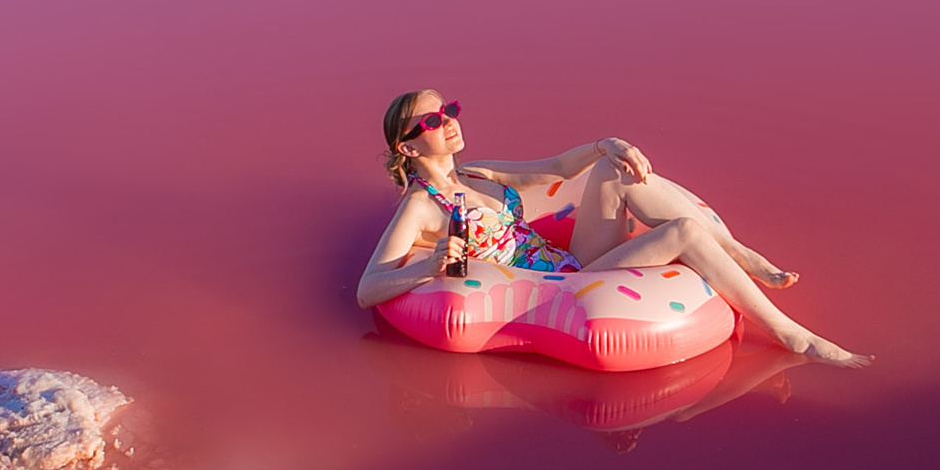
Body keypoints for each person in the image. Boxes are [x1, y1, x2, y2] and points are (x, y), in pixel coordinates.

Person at [356, 90, 870, 367]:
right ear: (408, 148)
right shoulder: (422, 207)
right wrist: (429, 264)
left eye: (448, 110)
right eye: (431, 122)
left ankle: (738, 250)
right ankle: (790, 334)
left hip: (573, 262)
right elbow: (368, 289)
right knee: (685, 232)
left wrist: (608, 144)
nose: (448, 121)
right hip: (553, 288)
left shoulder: (477, 171)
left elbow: (557, 169)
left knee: (611, 170)